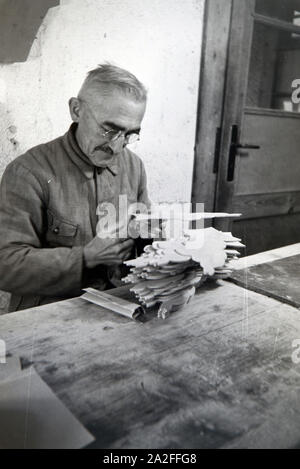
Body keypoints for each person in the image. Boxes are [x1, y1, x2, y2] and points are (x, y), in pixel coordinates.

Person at [0, 64, 151, 312]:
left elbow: (145, 232)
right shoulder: (27, 172)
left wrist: (160, 240)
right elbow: (5, 266)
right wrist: (84, 258)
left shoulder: (134, 166)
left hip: (120, 304)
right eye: (109, 130)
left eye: (130, 134)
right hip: (50, 312)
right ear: (76, 110)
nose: (117, 147)